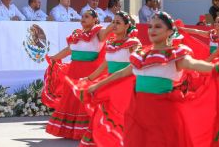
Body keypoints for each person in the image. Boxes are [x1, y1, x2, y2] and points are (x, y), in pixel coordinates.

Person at [88, 11, 218, 147]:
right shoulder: (142, 56)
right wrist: (96, 85)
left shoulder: (174, 55)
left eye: (158, 26)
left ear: (169, 31)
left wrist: (215, 68)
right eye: (150, 26)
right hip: (136, 115)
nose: (152, 30)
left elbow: (195, 64)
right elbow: (121, 73)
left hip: (162, 117)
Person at [68, 11, 140, 146]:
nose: (114, 25)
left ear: (126, 26)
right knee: (102, 115)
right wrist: (88, 78)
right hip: (110, 83)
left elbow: (135, 65)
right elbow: (104, 65)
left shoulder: (132, 43)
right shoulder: (111, 43)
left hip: (125, 85)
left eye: (118, 23)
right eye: (113, 22)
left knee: (119, 117)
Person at [44, 10, 113, 140]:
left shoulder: (98, 32)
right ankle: (70, 131)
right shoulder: (77, 35)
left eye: (87, 16)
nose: (83, 18)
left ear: (95, 20)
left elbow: (108, 31)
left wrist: (116, 21)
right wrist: (54, 58)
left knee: (84, 100)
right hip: (73, 72)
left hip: (89, 73)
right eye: (82, 16)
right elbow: (68, 50)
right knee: (71, 100)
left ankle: (87, 131)